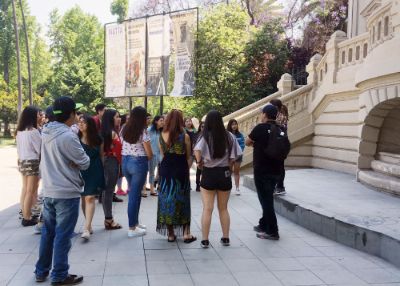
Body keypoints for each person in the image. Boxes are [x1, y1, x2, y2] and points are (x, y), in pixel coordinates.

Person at [35, 96, 89, 285]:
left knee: (48, 233)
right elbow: (85, 162)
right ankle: (59, 275)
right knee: (63, 236)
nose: (78, 115)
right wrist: (74, 162)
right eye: (77, 112)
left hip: (49, 190)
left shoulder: (46, 131)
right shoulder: (68, 136)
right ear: (71, 113)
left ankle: (41, 271)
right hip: (66, 192)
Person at [194, 110, 242, 248]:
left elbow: (197, 150)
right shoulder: (229, 136)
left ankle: (205, 240)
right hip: (224, 173)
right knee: (223, 208)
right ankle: (226, 237)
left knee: (207, 209)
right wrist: (229, 166)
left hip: (208, 173)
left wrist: (199, 162)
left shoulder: (204, 137)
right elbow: (235, 156)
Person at [157, 109, 196, 243]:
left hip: (166, 169)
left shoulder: (161, 135)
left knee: (166, 199)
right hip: (180, 170)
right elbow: (189, 154)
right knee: (183, 199)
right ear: (180, 120)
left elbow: (162, 154)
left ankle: (171, 234)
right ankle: (186, 233)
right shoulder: (184, 135)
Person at [245, 104, 282, 240]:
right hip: (276, 170)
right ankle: (263, 224)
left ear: (265, 115)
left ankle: (273, 231)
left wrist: (257, 143)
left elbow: (247, 141)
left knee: (265, 201)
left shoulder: (260, 128)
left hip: (262, 170)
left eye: (262, 113)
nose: (261, 115)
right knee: (267, 198)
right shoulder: (280, 128)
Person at [121, 106, 153, 237]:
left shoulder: (124, 128)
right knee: (134, 196)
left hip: (125, 162)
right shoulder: (142, 132)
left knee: (136, 194)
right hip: (138, 162)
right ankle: (132, 228)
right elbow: (149, 153)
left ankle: (135, 223)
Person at [78, 115, 105, 240]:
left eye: (84, 122)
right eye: (79, 122)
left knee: (90, 198)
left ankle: (86, 228)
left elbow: (101, 155)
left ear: (90, 124)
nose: (81, 124)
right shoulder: (75, 139)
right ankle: (88, 224)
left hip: (94, 169)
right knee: (84, 198)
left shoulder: (98, 139)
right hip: (81, 171)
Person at [16, 106, 42, 226]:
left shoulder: (20, 131)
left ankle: (24, 212)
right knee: (30, 190)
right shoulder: (34, 131)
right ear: (32, 116)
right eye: (37, 114)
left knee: (25, 188)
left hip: (22, 161)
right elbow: (39, 149)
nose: (39, 116)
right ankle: (27, 217)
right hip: (32, 162)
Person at [101, 109, 123, 230]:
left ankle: (108, 218)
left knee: (108, 191)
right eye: (116, 117)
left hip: (110, 162)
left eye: (119, 117)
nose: (119, 119)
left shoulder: (109, 132)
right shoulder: (111, 133)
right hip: (111, 162)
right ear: (110, 119)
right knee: (109, 191)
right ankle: (109, 219)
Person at [270, 99, 288, 195]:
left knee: (279, 166)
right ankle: (278, 186)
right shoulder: (278, 115)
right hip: (279, 143)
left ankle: (280, 187)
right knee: (278, 166)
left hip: (279, 144)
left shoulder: (280, 116)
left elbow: (274, 126)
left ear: (276, 107)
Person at [227, 119, 245, 196]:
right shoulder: (227, 135)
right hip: (229, 157)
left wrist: (237, 155)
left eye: (235, 124)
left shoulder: (240, 135)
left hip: (238, 156)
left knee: (236, 172)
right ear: (229, 126)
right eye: (232, 124)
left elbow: (242, 145)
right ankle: (228, 187)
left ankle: (237, 188)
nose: (234, 126)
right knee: (229, 172)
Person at [147, 115, 164, 196]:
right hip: (151, 154)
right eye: (161, 120)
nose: (163, 122)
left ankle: (154, 187)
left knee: (159, 171)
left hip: (159, 154)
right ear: (156, 121)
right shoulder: (149, 130)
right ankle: (151, 189)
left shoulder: (161, 131)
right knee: (151, 172)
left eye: (163, 120)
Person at [116, 114, 128, 196]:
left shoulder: (121, 127)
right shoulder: (124, 127)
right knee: (120, 171)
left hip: (123, 150)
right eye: (128, 118)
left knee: (121, 171)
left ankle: (120, 188)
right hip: (121, 150)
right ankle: (119, 188)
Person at [194, 122, 204, 192]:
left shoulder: (209, 135)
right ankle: (198, 185)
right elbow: (194, 145)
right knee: (199, 171)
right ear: (200, 127)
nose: (203, 128)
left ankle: (203, 184)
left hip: (206, 156)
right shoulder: (197, 135)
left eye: (205, 126)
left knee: (205, 172)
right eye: (202, 126)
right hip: (198, 155)